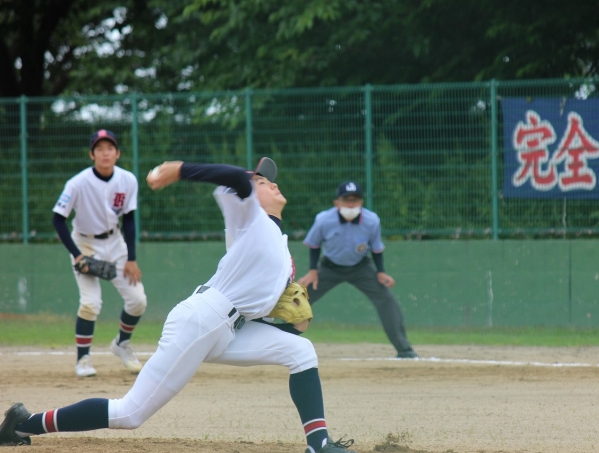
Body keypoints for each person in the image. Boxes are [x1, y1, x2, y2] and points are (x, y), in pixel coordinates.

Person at [0, 158, 356, 453]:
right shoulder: (249, 217)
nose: (272, 184)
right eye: (262, 182)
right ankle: (23, 423)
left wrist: (290, 327)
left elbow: (258, 309)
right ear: (250, 195)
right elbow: (235, 179)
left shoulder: (280, 246)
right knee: (130, 413)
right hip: (202, 319)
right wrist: (180, 169)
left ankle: (319, 444)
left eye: (269, 180)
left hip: (231, 329)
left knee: (301, 352)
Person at [52, 129, 147, 377]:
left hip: (115, 244)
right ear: (92, 154)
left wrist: (132, 258)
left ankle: (122, 344)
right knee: (91, 303)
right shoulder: (77, 183)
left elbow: (129, 220)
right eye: (99, 148)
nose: (105, 153)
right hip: (85, 244)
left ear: (117, 153)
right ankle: (83, 360)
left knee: (138, 300)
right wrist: (77, 255)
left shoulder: (128, 180)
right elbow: (58, 219)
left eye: (110, 148)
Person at [297, 181, 418, 359]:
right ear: (337, 203)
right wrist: (313, 271)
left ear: (361, 202)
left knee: (386, 300)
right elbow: (314, 245)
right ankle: (281, 344)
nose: (351, 204)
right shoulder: (324, 219)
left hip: (361, 267)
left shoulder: (371, 220)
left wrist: (380, 272)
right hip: (329, 267)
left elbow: (376, 249)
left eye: (355, 200)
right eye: (346, 200)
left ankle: (405, 350)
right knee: (299, 299)